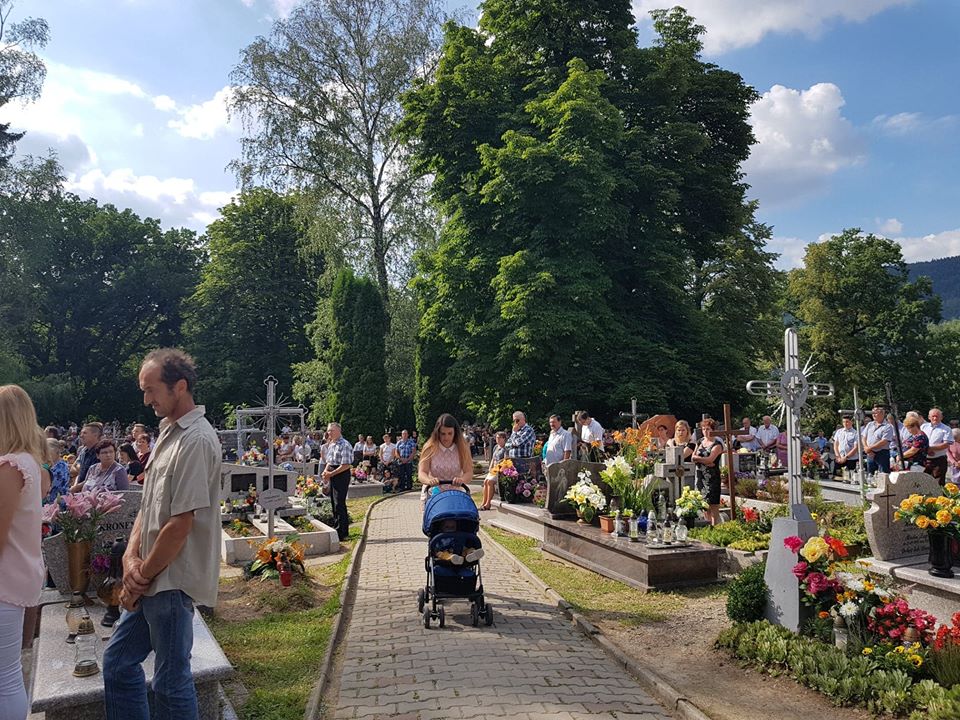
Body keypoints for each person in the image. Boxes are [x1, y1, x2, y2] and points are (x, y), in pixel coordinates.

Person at [103, 349, 221, 720]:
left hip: (170, 581)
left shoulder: (196, 440)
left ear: (179, 386)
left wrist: (141, 576)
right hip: (151, 574)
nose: (145, 399)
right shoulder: (169, 432)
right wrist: (129, 557)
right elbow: (148, 505)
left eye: (151, 389)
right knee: (118, 664)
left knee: (170, 683)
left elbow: (180, 523)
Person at [0, 385, 46, 720]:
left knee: (5, 678)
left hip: (4, 580)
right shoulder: (30, 463)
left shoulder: (10, 466)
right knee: (9, 674)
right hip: (18, 574)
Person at [419, 414, 473, 510]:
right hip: (433, 495)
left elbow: (468, 472)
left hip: (455, 495)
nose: (446, 437)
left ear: (455, 432)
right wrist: (429, 481)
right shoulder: (429, 448)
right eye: (443, 434)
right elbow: (422, 472)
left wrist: (462, 480)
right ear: (437, 433)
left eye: (450, 433)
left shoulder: (462, 448)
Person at [321, 423, 354, 542]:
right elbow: (329, 461)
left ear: (339, 431)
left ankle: (343, 532)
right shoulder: (332, 444)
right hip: (332, 472)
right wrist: (325, 472)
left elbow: (346, 465)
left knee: (340, 502)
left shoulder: (344, 444)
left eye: (332, 430)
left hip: (341, 474)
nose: (329, 433)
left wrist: (331, 473)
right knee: (334, 503)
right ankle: (336, 527)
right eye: (328, 431)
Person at [691, 418, 723, 526]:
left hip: (712, 478)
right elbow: (692, 457)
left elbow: (710, 459)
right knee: (704, 505)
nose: (705, 431)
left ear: (713, 430)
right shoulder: (700, 441)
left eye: (708, 429)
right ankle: (707, 526)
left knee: (713, 505)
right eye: (703, 429)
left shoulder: (717, 444)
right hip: (700, 477)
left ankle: (715, 527)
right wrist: (703, 460)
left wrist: (700, 459)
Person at [922, 408, 952, 485]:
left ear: (941, 417)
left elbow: (946, 444)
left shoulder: (946, 429)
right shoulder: (923, 427)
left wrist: (930, 448)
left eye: (937, 416)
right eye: (933, 416)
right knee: (923, 483)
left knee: (938, 484)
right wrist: (926, 450)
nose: (935, 418)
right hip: (924, 460)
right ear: (929, 417)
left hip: (939, 461)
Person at [862, 406, 894, 475]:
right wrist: (866, 448)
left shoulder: (888, 426)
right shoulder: (870, 424)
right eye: (873, 413)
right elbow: (864, 437)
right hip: (870, 453)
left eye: (875, 413)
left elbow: (884, 441)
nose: (873, 414)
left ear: (882, 414)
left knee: (883, 474)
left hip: (882, 454)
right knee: (870, 474)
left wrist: (869, 448)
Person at [480, 431, 508, 511]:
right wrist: (490, 467)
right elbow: (493, 458)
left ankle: (488, 503)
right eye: (496, 438)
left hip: (500, 470)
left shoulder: (505, 448)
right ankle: (483, 502)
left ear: (504, 439)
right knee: (485, 482)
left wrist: (498, 468)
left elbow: (505, 461)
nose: (497, 439)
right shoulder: (496, 447)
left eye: (499, 438)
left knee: (490, 482)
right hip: (494, 469)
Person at [833, 415, 860, 480]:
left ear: (851, 422)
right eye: (843, 422)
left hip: (851, 460)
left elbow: (855, 448)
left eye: (847, 422)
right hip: (839, 459)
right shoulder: (839, 432)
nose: (845, 424)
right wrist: (838, 456)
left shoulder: (856, 433)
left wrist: (846, 457)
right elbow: (835, 445)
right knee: (837, 478)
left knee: (850, 479)